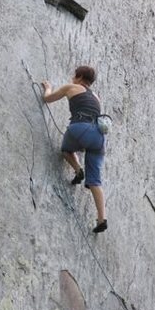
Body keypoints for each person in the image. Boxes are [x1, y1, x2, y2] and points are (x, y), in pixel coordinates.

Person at [42, 65, 107, 233]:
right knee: (95, 181)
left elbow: (47, 99)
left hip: (80, 128)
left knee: (66, 150)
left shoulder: (71, 87)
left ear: (78, 77)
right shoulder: (96, 96)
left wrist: (48, 88)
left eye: (74, 75)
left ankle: (78, 169)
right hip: (99, 137)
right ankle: (101, 219)